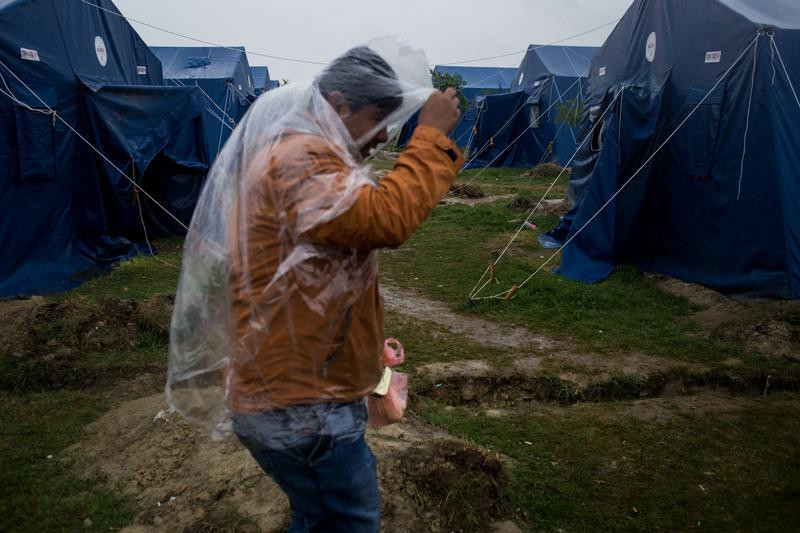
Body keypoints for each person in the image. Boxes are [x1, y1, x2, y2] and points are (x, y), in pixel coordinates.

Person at [168, 39, 461, 532]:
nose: (384, 135)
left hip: (296, 388)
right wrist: (429, 136)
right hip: (300, 402)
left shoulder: (303, 154)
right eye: (376, 118)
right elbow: (384, 220)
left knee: (317, 515)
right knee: (347, 521)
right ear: (339, 105)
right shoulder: (299, 159)